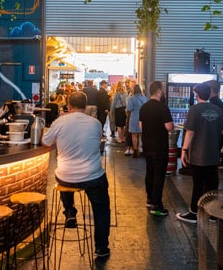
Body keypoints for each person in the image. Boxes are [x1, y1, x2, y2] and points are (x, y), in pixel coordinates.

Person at [42, 91, 111, 258]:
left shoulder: (59, 122)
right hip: (93, 176)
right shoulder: (95, 123)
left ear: (69, 105)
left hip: (66, 177)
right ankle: (101, 247)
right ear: (85, 107)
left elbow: (45, 142)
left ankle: (70, 211)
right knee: (102, 210)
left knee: (64, 175)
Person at [177, 83, 223, 223]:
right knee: (212, 184)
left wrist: (184, 150)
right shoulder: (218, 110)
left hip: (198, 154)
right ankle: (213, 214)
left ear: (197, 94)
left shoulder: (195, 109)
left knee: (198, 184)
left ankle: (194, 213)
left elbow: (190, 132)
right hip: (213, 154)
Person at [139, 81, 174, 216]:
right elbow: (169, 127)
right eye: (163, 89)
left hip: (147, 145)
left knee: (150, 172)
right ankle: (156, 205)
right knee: (159, 175)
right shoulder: (162, 108)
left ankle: (149, 199)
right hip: (160, 146)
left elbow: (141, 126)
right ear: (159, 91)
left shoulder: (144, 107)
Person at [126, 84, 147, 158]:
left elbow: (129, 109)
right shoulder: (144, 98)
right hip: (143, 118)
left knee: (134, 135)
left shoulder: (131, 98)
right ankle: (141, 149)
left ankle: (135, 151)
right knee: (142, 134)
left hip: (134, 117)